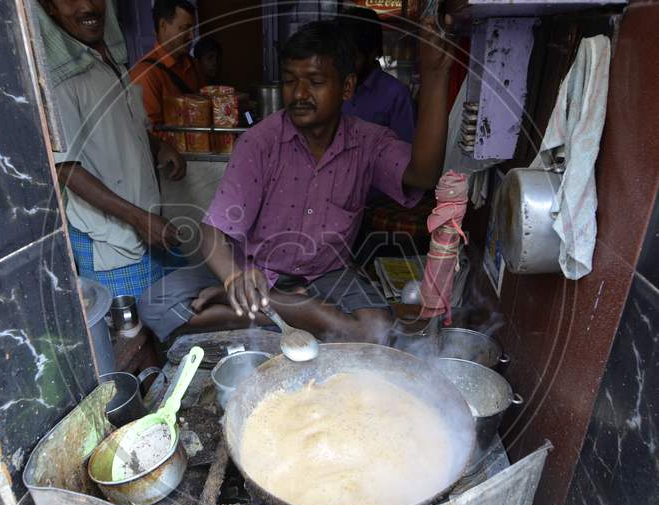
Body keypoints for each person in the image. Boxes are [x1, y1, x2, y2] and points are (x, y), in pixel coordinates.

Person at [189, 18, 453, 344]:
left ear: (346, 88)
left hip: (329, 271)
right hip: (258, 273)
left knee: (379, 330)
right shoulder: (259, 143)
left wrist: (436, 75)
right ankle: (297, 309)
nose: (299, 93)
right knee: (158, 307)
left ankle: (271, 309)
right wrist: (232, 278)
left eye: (315, 82)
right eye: (289, 81)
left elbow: (424, 174)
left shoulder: (368, 143)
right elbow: (210, 231)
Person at [38, 0, 188, 299]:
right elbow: (66, 167)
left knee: (173, 317)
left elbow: (126, 129)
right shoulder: (60, 82)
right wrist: (137, 219)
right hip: (113, 242)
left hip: (147, 225)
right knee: (133, 335)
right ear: (50, 8)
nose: (87, 6)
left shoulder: (113, 62)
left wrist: (159, 146)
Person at [339, 7, 415, 143]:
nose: (345, 63)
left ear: (372, 51)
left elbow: (405, 152)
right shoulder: (335, 88)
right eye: (341, 55)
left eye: (353, 56)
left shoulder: (396, 95)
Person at [130, 0, 205, 126]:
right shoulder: (145, 74)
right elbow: (151, 133)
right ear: (163, 25)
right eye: (185, 28)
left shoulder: (194, 65)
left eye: (193, 29)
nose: (192, 36)